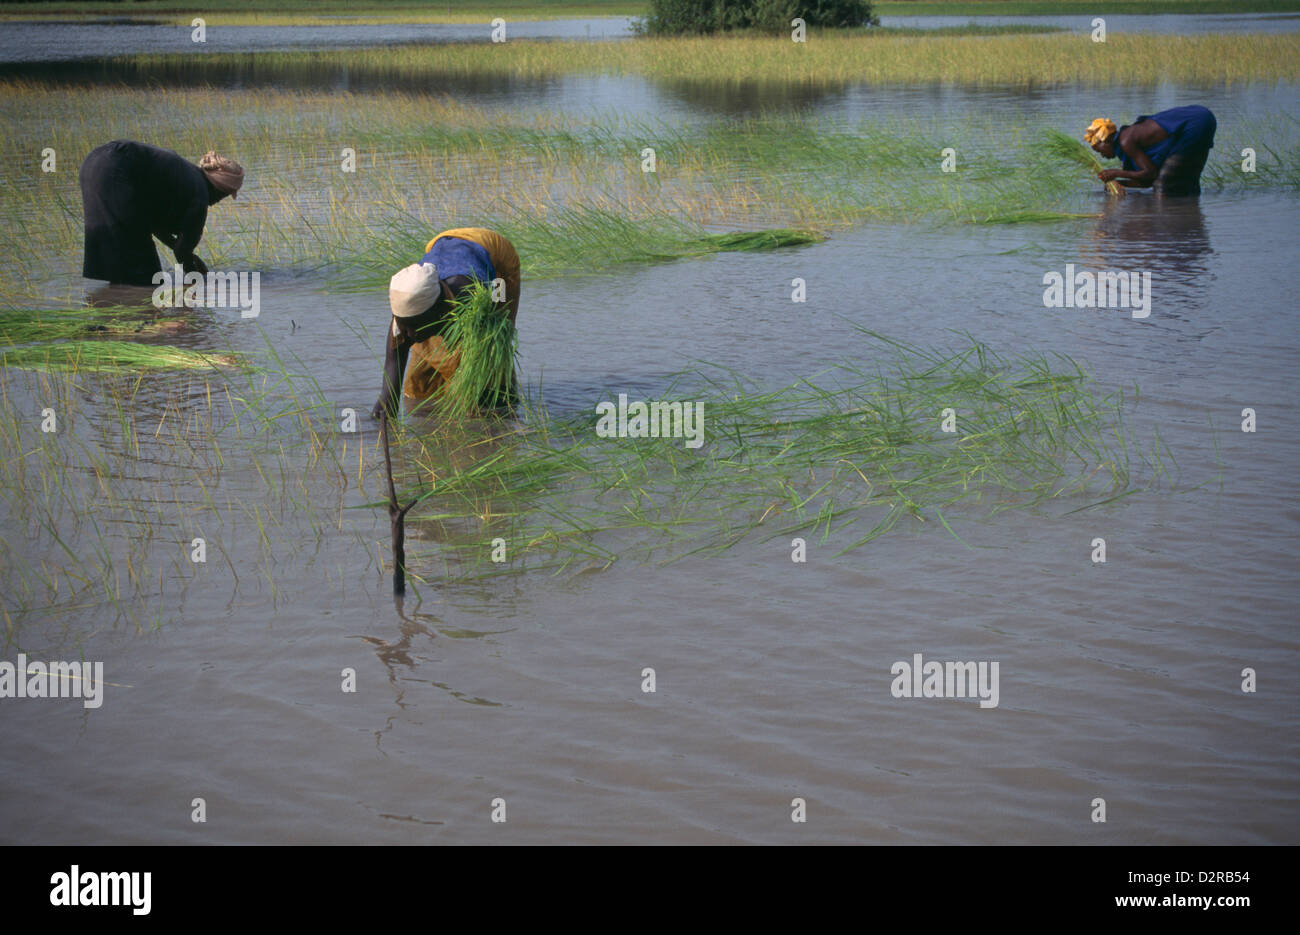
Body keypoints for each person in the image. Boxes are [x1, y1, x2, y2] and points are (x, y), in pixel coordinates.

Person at [371, 227, 521, 420]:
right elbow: (395, 360)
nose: (406, 334)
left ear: (436, 311)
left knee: (494, 344)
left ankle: (498, 407)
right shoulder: (406, 304)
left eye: (411, 328)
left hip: (497, 259)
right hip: (440, 244)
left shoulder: (469, 297)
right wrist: (386, 402)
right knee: (420, 378)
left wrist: (471, 395)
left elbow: (477, 356)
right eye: (403, 327)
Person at [79, 141, 244, 286]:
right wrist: (198, 278)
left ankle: (116, 311)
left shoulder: (188, 177)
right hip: (116, 169)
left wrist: (184, 252)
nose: (219, 201)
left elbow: (150, 222)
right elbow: (182, 252)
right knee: (147, 276)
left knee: (123, 265)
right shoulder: (199, 197)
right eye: (225, 195)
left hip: (94, 162)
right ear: (220, 188)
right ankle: (138, 313)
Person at [1085, 106, 1217, 196]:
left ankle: (1168, 223)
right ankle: (1193, 225)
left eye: (1100, 150)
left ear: (1106, 141)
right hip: (1203, 117)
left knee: (1162, 186)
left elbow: (1151, 174)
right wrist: (1118, 183)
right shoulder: (1126, 145)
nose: (1102, 155)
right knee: (1188, 183)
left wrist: (1116, 173)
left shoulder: (1126, 141)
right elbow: (1146, 181)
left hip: (1194, 124)